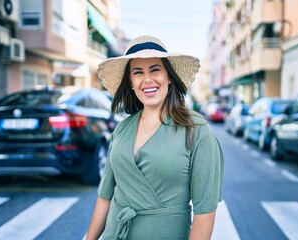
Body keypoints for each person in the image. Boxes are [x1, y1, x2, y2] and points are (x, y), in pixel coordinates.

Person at [86, 35, 224, 240]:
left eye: (155, 69)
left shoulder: (197, 130)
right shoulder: (121, 129)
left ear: (169, 76)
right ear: (131, 83)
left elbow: (205, 212)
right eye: (138, 72)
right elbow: (105, 196)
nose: (147, 79)